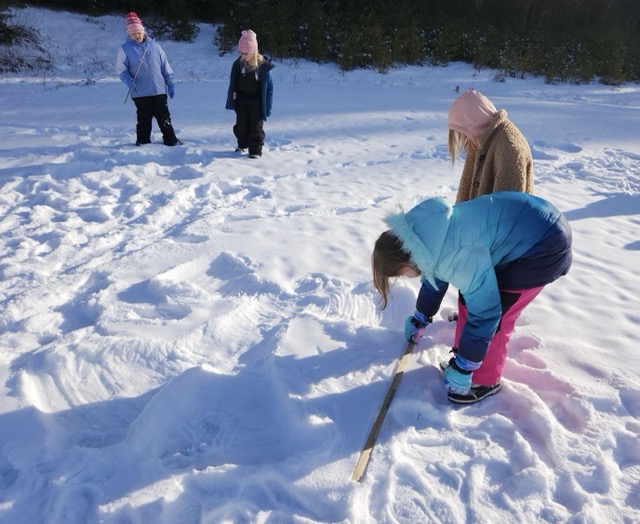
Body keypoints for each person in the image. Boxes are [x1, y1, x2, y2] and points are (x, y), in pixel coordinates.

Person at [371, 192, 572, 404]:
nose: (405, 277)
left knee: (496, 313)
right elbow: (435, 277)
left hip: (544, 245)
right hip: (531, 220)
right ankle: (463, 364)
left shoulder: (455, 255)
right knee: (471, 298)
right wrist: (421, 317)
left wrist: (465, 367)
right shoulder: (425, 236)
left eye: (401, 274)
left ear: (405, 262)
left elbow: (486, 312)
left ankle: (484, 380)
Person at [448, 89, 533, 203]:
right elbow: (465, 191)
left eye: (463, 132)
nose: (464, 138)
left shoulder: (509, 147)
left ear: (473, 122)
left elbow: (507, 209)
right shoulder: (479, 140)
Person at [116, 12, 181, 147]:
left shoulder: (156, 47)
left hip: (159, 90)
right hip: (140, 91)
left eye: (138, 33)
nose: (137, 36)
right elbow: (121, 69)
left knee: (164, 117)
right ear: (129, 34)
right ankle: (143, 142)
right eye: (133, 34)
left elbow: (165, 66)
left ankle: (171, 140)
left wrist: (170, 83)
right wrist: (127, 79)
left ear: (143, 31)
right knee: (144, 119)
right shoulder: (124, 49)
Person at [225, 29, 274, 159]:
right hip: (241, 100)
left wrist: (267, 108)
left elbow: (269, 89)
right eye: (241, 52)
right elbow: (233, 83)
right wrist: (233, 100)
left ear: (253, 51)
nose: (243, 55)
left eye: (245, 53)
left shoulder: (262, 67)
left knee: (256, 127)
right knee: (241, 125)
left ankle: (255, 150)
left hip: (256, 102)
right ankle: (242, 144)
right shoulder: (238, 64)